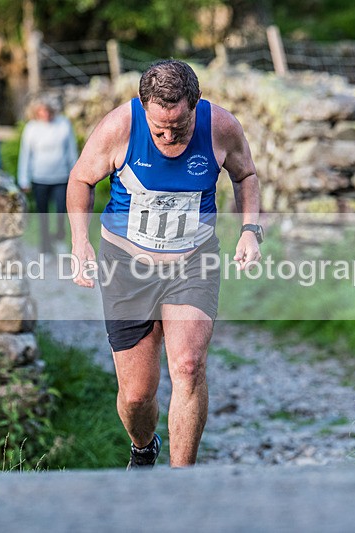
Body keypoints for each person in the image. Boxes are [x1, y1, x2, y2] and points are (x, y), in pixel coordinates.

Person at [66, 59, 262, 469]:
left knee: (188, 366)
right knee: (137, 395)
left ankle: (181, 482)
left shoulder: (220, 127)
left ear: (195, 104)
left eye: (180, 126)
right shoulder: (119, 127)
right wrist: (80, 242)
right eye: (159, 128)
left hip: (192, 262)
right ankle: (143, 447)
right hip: (126, 265)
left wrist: (250, 230)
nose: (170, 136)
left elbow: (245, 176)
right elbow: (81, 179)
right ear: (143, 107)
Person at [17, 94, 78, 255]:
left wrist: (76, 175)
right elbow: (25, 155)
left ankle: (59, 239)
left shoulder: (64, 124)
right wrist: (24, 179)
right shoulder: (31, 128)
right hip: (39, 178)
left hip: (61, 177)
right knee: (43, 215)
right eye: (41, 111)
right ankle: (45, 248)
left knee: (61, 212)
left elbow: (71, 151)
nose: (45, 114)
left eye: (47, 111)